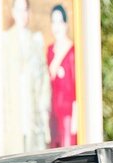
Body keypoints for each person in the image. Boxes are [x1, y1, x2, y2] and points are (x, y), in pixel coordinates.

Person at [1, 0, 50, 154]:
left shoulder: (36, 40)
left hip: (33, 115)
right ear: (13, 12)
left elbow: (44, 80)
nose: (22, 15)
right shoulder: (5, 40)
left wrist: (43, 112)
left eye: (25, 10)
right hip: (12, 116)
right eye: (19, 10)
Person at [47, 3, 77, 148]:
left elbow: (76, 85)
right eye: (53, 22)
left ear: (65, 24)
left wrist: (76, 118)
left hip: (68, 115)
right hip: (53, 114)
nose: (57, 26)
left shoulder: (72, 51)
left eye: (59, 21)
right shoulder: (50, 51)